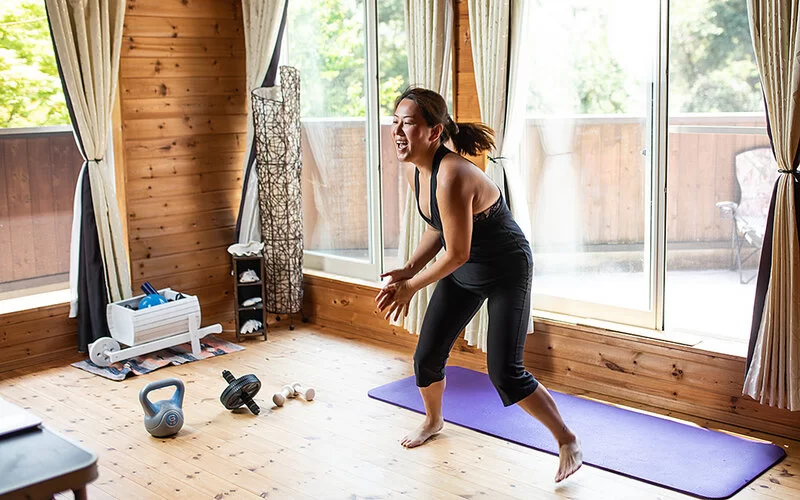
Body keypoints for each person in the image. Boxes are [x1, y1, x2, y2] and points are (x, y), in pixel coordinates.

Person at [375, 87, 582, 483]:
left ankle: (567, 439)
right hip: (465, 267)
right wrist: (408, 268)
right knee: (426, 356)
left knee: (506, 373)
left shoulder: (453, 173)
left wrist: (413, 286)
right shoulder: (414, 170)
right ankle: (433, 421)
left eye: (409, 124)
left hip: (506, 269)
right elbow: (439, 228)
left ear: (434, 132)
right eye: (395, 123)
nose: (399, 132)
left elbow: (456, 254)